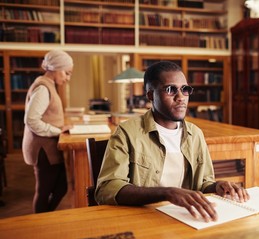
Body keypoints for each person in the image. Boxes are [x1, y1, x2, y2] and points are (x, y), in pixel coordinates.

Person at [96, 61, 249, 222]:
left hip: (187, 218)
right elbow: (107, 189)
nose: (180, 97)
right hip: (143, 218)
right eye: (170, 90)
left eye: (185, 89)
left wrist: (217, 186)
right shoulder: (127, 132)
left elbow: (203, 185)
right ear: (150, 95)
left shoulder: (195, 134)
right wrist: (167, 192)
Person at [22, 50, 74, 213]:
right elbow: (31, 120)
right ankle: (41, 222)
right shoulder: (43, 88)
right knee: (44, 192)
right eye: (66, 73)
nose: (67, 78)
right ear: (56, 68)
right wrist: (57, 130)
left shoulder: (48, 85)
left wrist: (59, 128)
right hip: (42, 149)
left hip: (48, 147)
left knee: (61, 187)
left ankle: (45, 217)